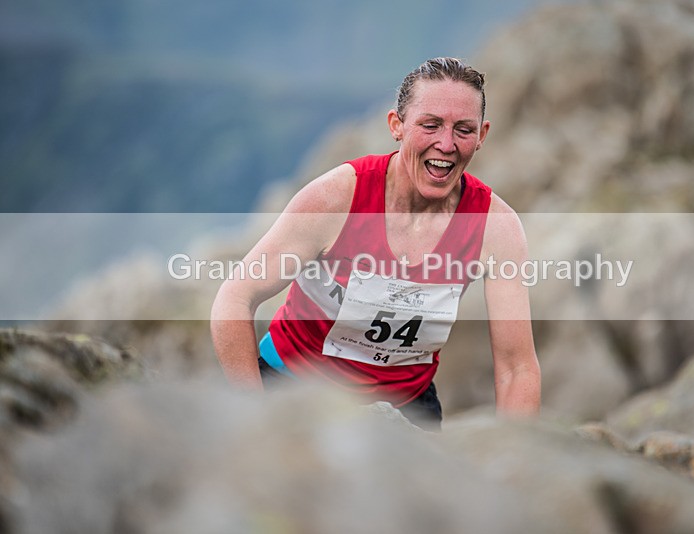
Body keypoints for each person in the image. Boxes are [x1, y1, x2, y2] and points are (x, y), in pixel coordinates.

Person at [210, 57, 540, 429]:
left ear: (481, 136)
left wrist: (509, 464)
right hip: (294, 392)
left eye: (463, 129)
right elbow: (235, 297)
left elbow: (517, 368)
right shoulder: (335, 199)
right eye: (430, 125)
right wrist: (253, 417)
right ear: (396, 126)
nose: (446, 144)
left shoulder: (494, 226)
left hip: (407, 410)